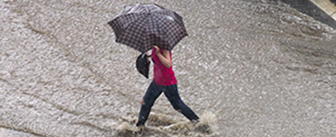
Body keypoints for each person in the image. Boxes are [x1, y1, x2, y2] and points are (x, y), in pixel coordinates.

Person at [136, 46, 199, 127]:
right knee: (145, 102)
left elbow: (168, 64)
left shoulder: (164, 47)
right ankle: (140, 126)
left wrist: (158, 54)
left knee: (177, 105)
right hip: (157, 81)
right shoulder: (156, 46)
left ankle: (197, 122)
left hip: (168, 82)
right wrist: (149, 55)